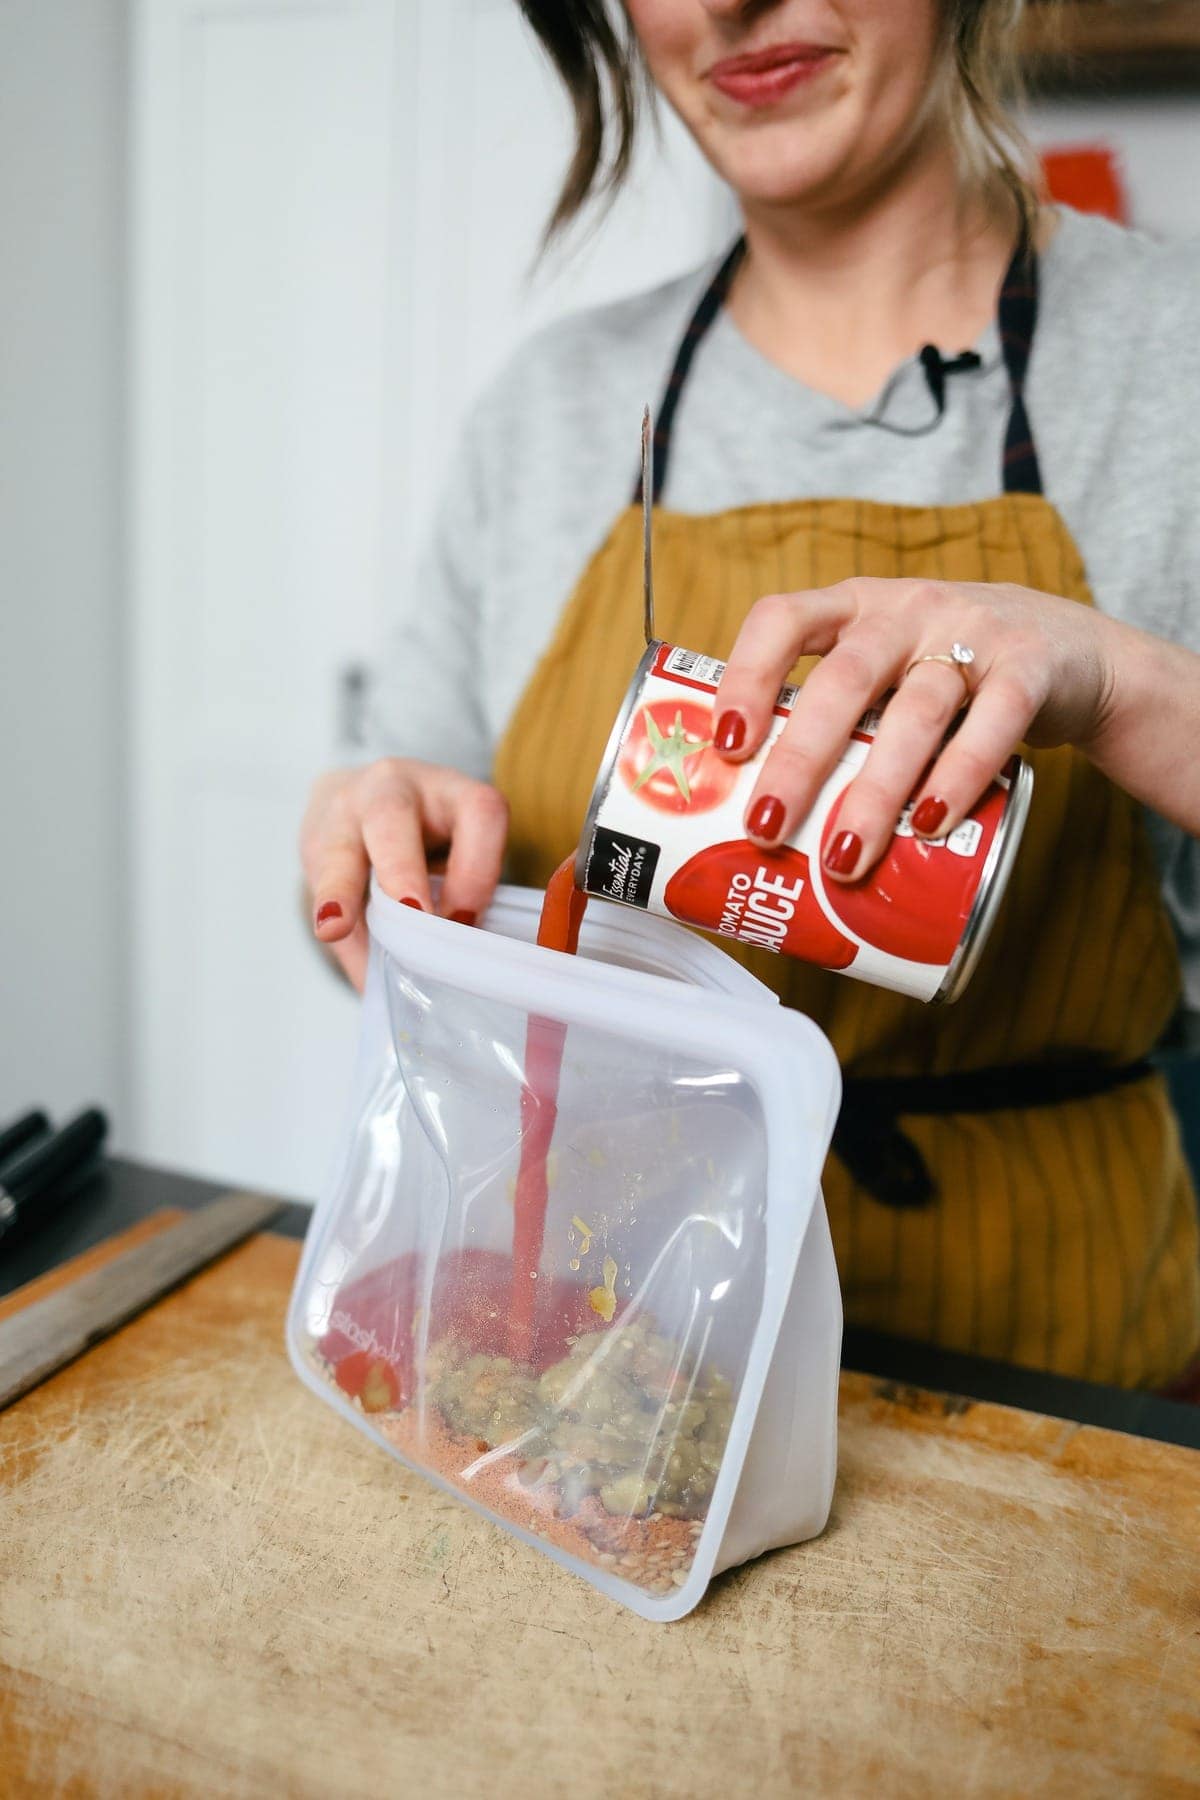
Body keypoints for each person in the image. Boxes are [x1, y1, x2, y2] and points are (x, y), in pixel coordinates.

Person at [300, 0, 1200, 1391]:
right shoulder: (552, 409)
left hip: (1050, 1352)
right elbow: (396, 871)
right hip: (613, 1344)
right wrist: (376, 843)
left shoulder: (1171, 358)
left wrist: (1129, 685)